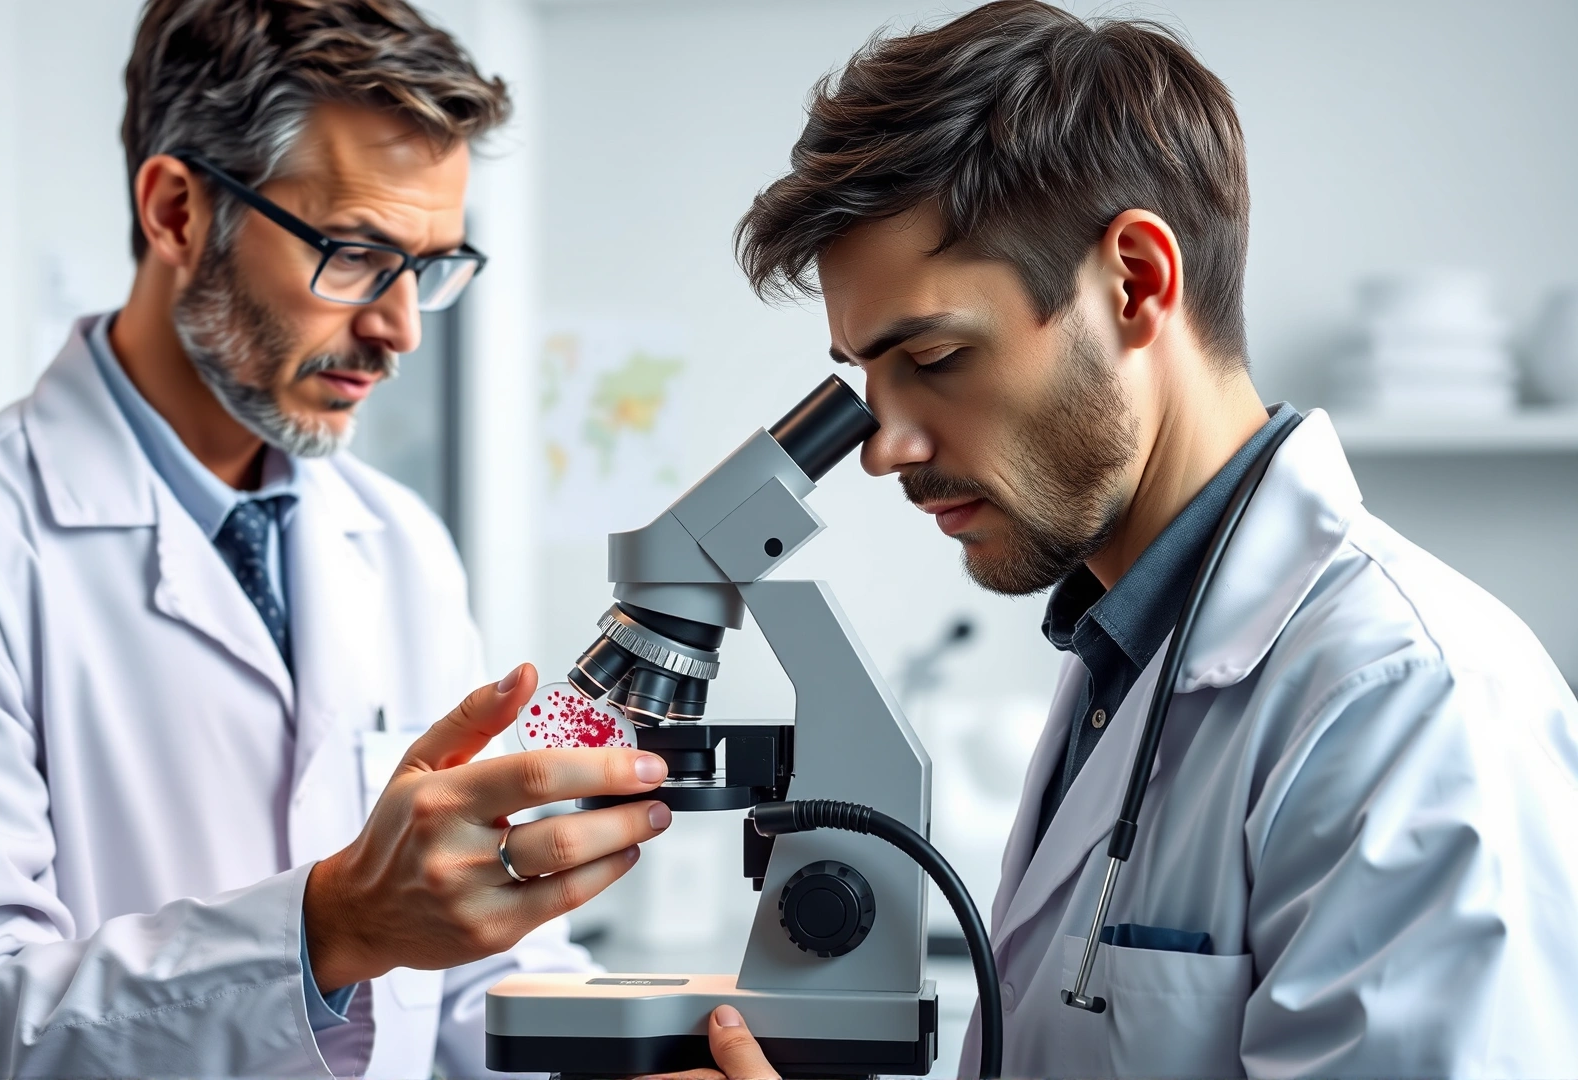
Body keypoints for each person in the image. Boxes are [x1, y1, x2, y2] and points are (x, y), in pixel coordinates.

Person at [669, 1, 1578, 1077]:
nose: (885, 446)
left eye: (938, 357)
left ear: (1136, 283)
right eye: (867, 377)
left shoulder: (1409, 700)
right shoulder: (1124, 651)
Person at [0, 2, 676, 1076]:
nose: (401, 327)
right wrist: (330, 929)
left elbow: (477, 979)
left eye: (432, 266)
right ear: (177, 213)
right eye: (357, 254)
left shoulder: (398, 543)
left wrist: (622, 1056)